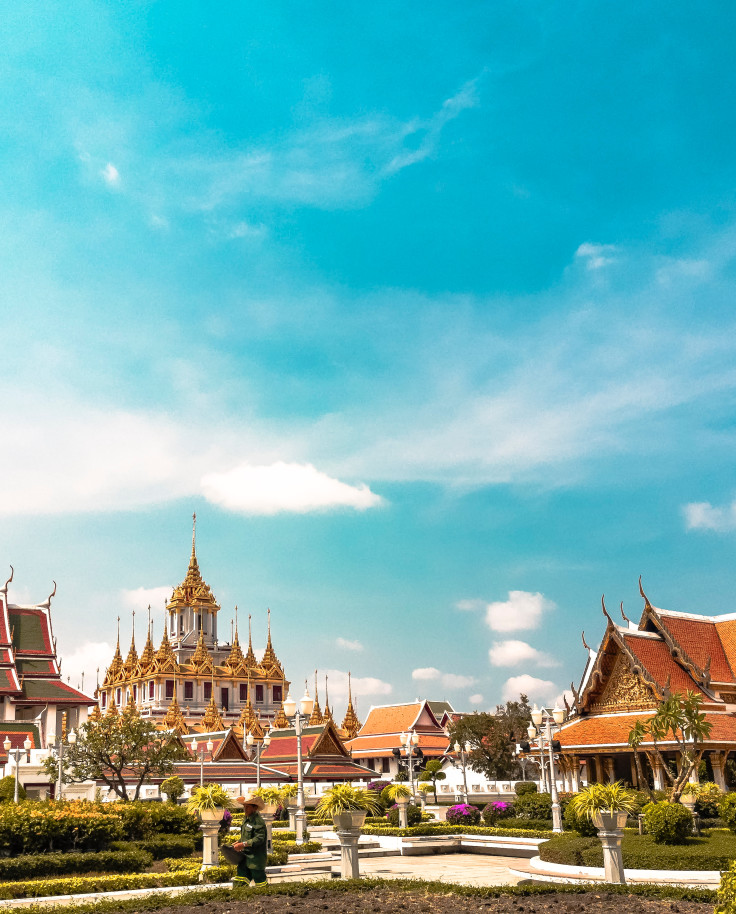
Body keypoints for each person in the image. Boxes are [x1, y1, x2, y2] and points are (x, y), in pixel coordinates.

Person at [232, 792, 268, 887]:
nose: (245, 809)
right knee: (240, 879)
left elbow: (259, 839)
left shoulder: (258, 821)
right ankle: (238, 895)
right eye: (244, 807)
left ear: (254, 808)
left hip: (255, 859)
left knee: (260, 882)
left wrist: (243, 844)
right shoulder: (246, 819)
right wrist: (239, 842)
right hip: (245, 857)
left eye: (247, 807)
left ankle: (265, 897)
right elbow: (246, 835)